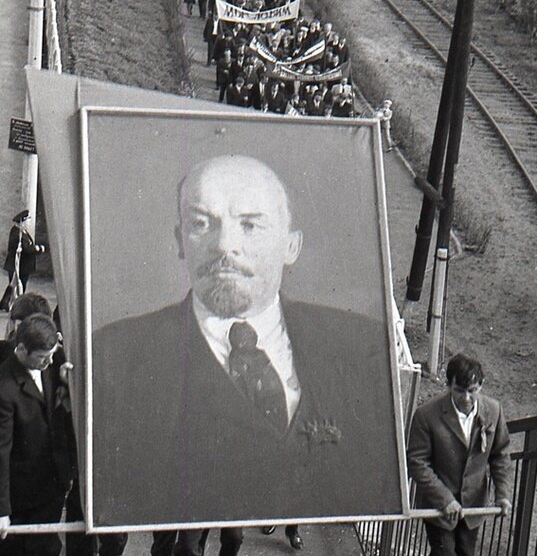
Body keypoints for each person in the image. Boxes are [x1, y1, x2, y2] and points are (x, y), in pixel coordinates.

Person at [92, 155, 400, 527]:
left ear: (291, 246)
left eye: (251, 226)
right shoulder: (115, 356)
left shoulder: (362, 345)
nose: (225, 245)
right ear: (180, 241)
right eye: (201, 224)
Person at [407, 353, 512, 556]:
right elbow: (418, 462)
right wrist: (444, 499)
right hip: (438, 504)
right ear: (448, 386)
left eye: (472, 391)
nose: (466, 397)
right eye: (459, 390)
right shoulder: (427, 415)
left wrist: (502, 494)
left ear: (482, 386)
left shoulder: (493, 411)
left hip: (474, 502)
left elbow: (500, 455)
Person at [0, 314, 72, 556]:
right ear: (22, 350)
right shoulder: (5, 388)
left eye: (52, 355)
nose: (50, 362)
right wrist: (1, 509)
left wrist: (67, 378)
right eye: (43, 358)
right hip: (20, 485)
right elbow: (0, 452)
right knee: (13, 551)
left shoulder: (53, 365)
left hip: (52, 480)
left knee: (45, 546)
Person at [1, 211, 46, 312]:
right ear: (22, 222)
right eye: (28, 221)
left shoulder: (22, 232)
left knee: (15, 285)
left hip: (23, 266)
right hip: (18, 265)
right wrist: (38, 249)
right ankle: (13, 305)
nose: (29, 223)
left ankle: (5, 304)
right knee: (17, 286)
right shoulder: (17, 234)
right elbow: (26, 249)